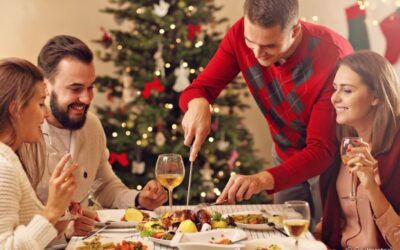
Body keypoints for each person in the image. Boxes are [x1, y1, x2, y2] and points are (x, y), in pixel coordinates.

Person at [179, 0, 353, 226]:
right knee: (284, 233)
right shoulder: (240, 35)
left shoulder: (333, 56)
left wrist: (262, 179)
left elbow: (321, 149)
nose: (257, 54)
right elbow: (198, 89)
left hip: (330, 163)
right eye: (251, 42)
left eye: (270, 46)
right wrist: (198, 103)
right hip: (284, 155)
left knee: (326, 236)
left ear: (295, 30)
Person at [19, 35, 167, 237]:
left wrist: (139, 199)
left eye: (90, 87)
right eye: (76, 89)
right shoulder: (22, 133)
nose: (87, 98)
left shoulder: (91, 125)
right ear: (46, 85)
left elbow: (104, 184)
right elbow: (14, 222)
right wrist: (65, 229)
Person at [320, 51, 400, 249]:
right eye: (335, 89)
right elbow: (338, 224)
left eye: (347, 91)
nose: (334, 98)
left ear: (376, 96)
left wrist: (371, 187)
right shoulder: (343, 145)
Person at [0, 58, 78, 249]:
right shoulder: (3, 168)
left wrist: (63, 216)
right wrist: (51, 210)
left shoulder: (10, 157)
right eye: (41, 103)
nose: (45, 114)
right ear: (16, 109)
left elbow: (24, 234)